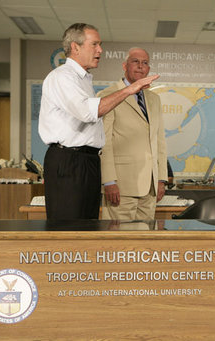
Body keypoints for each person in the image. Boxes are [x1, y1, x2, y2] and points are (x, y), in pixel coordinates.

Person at [39, 24, 159, 220]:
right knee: (69, 231)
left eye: (100, 45)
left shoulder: (83, 80)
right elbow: (88, 112)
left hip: (87, 161)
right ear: (75, 47)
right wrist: (130, 89)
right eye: (94, 44)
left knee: (88, 228)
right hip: (70, 161)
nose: (100, 50)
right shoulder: (62, 77)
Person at [98, 47, 168, 220]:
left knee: (145, 244)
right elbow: (104, 142)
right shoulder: (108, 96)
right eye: (135, 61)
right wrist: (109, 181)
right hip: (121, 186)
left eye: (145, 63)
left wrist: (161, 179)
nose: (140, 66)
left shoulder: (154, 99)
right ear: (124, 65)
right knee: (119, 243)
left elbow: (159, 141)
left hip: (149, 188)